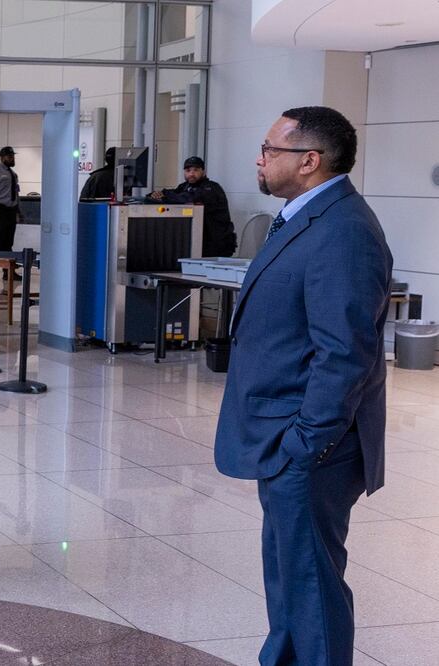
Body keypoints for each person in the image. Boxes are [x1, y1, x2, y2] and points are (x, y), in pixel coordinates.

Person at [215, 106, 392, 666]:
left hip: (313, 446)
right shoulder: (305, 218)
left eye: (270, 150)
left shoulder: (344, 231)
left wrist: (306, 442)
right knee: (290, 575)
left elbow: (345, 353)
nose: (260, 159)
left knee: (312, 586)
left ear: (309, 160)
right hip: (287, 439)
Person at [149, 156, 237, 257]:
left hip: (216, 245)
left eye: (196, 170)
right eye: (188, 170)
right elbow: (174, 194)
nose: (191, 174)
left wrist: (165, 196)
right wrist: (156, 194)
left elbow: (189, 198)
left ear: (203, 171)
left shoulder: (211, 188)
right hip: (198, 242)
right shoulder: (185, 186)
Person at [0, 146, 22, 262]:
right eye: (9, 157)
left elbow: (16, 193)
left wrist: (18, 212)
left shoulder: (14, 174)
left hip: (11, 212)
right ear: (2, 157)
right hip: (0, 210)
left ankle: (7, 270)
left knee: (8, 242)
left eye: (13, 156)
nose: (12, 159)